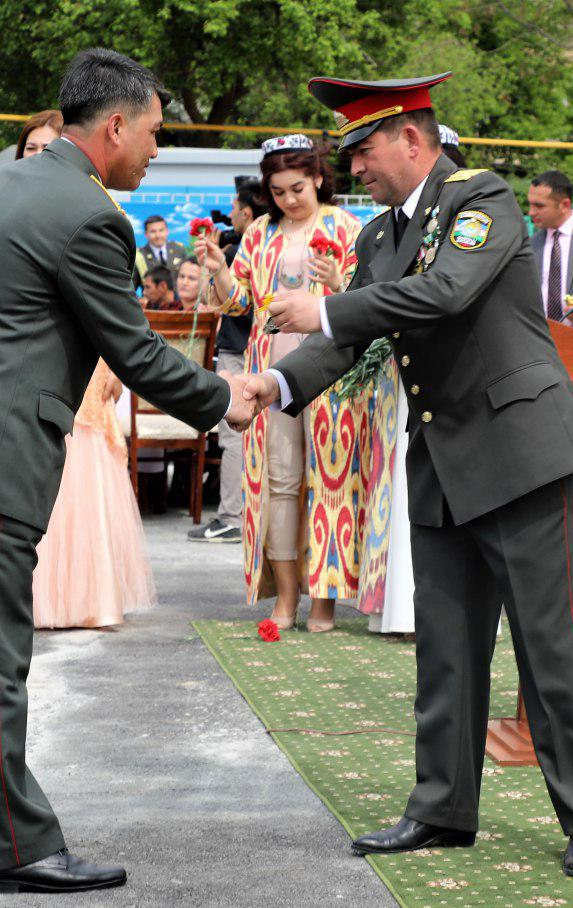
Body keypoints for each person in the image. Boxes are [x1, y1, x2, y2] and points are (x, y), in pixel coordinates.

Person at [0, 48, 252, 895]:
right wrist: (226, 397)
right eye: (153, 133)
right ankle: (17, 847)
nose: (155, 150)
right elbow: (135, 349)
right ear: (114, 126)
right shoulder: (89, 214)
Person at [255, 71, 573, 878]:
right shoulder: (380, 237)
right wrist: (273, 385)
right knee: (446, 650)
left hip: (524, 458)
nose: (354, 168)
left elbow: (447, 293)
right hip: (446, 465)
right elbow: (352, 337)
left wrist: (325, 310)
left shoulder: (480, 198)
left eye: (364, 149)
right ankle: (442, 807)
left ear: (410, 140)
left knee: (548, 647)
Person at [197, 133, 364, 633]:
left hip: (333, 376)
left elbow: (367, 300)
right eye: (278, 191)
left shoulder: (348, 227)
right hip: (270, 377)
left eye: (297, 188)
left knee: (333, 486)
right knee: (280, 484)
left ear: (318, 178)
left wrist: (338, 283)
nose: (289, 199)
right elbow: (237, 303)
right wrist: (220, 270)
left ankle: (325, 604)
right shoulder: (260, 233)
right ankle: (287, 597)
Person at [32, 360, 156, 628]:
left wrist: (117, 367)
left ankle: (91, 601)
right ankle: (45, 600)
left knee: (90, 475)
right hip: (48, 360)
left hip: (94, 369)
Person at [189, 183, 267, 544]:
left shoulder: (246, 250)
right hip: (250, 351)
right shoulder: (246, 248)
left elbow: (227, 302)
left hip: (242, 351)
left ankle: (231, 516)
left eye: (235, 207)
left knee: (232, 434)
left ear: (248, 213)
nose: (231, 213)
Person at [528, 170, 573, 335]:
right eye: (530, 204)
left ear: (565, 205)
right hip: (543, 343)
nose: (531, 212)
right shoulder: (530, 244)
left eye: (539, 205)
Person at [133, 214, 186, 287]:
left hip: (178, 298)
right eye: (153, 231)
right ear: (146, 234)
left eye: (161, 230)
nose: (158, 235)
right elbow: (132, 287)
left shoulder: (179, 249)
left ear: (167, 231)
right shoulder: (139, 256)